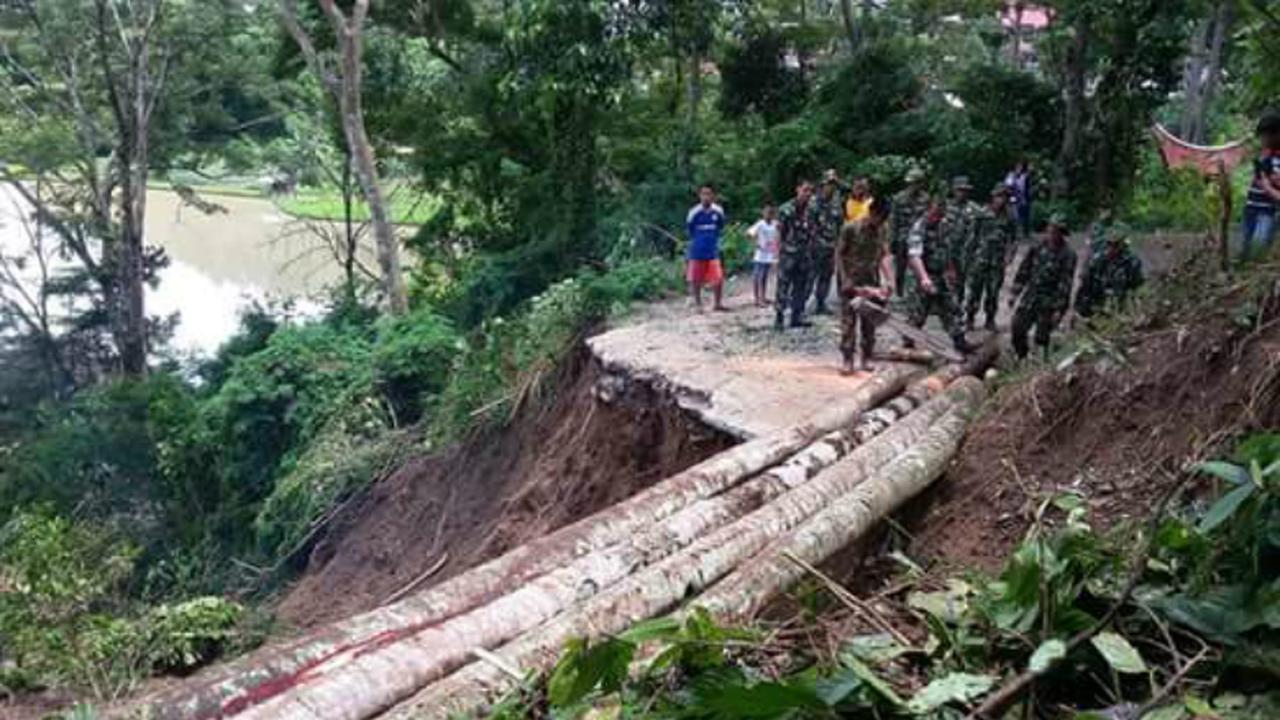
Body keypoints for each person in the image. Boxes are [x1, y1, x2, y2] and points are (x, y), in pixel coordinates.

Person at [905, 198, 972, 354]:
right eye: (935, 214)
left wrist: (950, 269)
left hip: (939, 274)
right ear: (928, 211)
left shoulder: (944, 225)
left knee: (951, 308)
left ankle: (960, 342)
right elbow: (915, 256)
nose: (938, 217)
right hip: (921, 275)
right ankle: (908, 344)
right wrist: (924, 278)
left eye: (940, 214)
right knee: (917, 313)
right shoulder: (919, 226)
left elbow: (946, 249)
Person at [835, 198, 894, 374]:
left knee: (869, 321)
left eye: (884, 220)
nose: (880, 222)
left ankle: (867, 357)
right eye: (879, 218)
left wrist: (889, 280)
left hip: (871, 279)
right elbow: (839, 254)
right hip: (851, 279)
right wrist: (844, 278)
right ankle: (847, 359)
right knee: (848, 321)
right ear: (872, 213)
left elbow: (885, 255)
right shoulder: (851, 228)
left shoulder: (883, 229)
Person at [1009, 213, 1076, 359]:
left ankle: (1040, 365)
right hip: (1031, 295)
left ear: (1061, 233)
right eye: (1050, 228)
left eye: (1055, 230)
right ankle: (1022, 357)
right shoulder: (1037, 247)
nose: (1051, 232)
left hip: (1050, 300)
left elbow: (1066, 283)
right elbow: (1024, 269)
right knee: (1017, 327)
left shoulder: (1068, 255)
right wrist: (1015, 292)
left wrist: (1059, 309)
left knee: (1042, 337)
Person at [964, 185, 1018, 332]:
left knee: (993, 291)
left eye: (1005, 197)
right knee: (975, 290)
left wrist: (1010, 255)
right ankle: (969, 318)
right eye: (1000, 196)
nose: (1002, 200)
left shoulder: (1010, 217)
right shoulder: (982, 213)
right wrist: (968, 258)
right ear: (993, 197)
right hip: (980, 258)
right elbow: (972, 236)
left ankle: (990, 319)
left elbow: (1014, 239)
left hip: (997, 260)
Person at [1075, 225, 1145, 319]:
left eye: (1116, 245)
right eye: (1109, 244)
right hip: (1097, 305)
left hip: (1119, 306)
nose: (1112, 248)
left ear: (1122, 245)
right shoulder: (1098, 260)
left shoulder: (1131, 261)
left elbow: (1136, 287)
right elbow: (1085, 286)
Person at [776, 180, 818, 330]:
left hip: (804, 253)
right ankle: (779, 318)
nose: (807, 194)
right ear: (797, 189)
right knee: (783, 286)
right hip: (788, 253)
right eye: (805, 190)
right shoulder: (786, 209)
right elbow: (780, 233)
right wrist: (778, 254)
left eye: (810, 191)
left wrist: (812, 251)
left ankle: (797, 316)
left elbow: (813, 231)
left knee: (801, 286)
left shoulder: (812, 210)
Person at [808, 170, 846, 314]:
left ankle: (821, 303)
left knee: (826, 276)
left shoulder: (837, 203)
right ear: (822, 185)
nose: (832, 187)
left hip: (830, 246)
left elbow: (840, 224)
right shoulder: (813, 202)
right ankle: (800, 305)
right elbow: (808, 225)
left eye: (834, 185)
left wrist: (839, 244)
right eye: (829, 184)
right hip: (815, 246)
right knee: (810, 276)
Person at [1243, 112, 1280, 259]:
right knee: (1246, 247)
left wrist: (1267, 183)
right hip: (1251, 207)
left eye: (1266, 136)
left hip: (1268, 211)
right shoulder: (1264, 155)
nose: (1263, 140)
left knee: (1258, 249)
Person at [685, 184, 727, 311]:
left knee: (718, 278)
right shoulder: (693, 212)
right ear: (699, 196)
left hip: (713, 250)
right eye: (703, 194)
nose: (706, 197)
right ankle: (698, 305)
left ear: (713, 196)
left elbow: (720, 227)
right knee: (696, 278)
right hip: (697, 250)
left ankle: (717, 304)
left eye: (709, 194)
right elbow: (690, 230)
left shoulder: (718, 211)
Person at [890, 167, 930, 296]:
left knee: (919, 266)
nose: (912, 185)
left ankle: (917, 293)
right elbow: (894, 220)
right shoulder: (899, 198)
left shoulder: (926, 198)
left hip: (919, 238)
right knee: (900, 267)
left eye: (915, 183)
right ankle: (899, 292)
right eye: (910, 183)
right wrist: (893, 240)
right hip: (902, 237)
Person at [942, 176, 980, 308]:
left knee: (962, 281)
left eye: (965, 190)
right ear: (953, 190)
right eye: (959, 190)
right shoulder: (946, 206)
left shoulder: (974, 209)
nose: (962, 193)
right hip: (946, 250)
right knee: (944, 279)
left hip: (965, 251)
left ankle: (957, 304)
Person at [747, 203, 780, 308]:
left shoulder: (775, 224)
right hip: (760, 254)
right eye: (766, 212)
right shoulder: (760, 224)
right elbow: (748, 233)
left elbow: (780, 234)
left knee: (765, 276)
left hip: (770, 254)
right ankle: (758, 299)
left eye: (770, 212)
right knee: (758, 276)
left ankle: (763, 297)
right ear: (763, 213)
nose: (768, 214)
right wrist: (756, 243)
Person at [1005, 160, 1033, 240]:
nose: (1019, 169)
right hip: (1014, 199)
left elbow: (1027, 188)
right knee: (1015, 217)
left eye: (1021, 167)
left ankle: (1025, 233)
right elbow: (1008, 187)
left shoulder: (1025, 176)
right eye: (1018, 167)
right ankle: (1014, 234)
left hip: (1024, 199)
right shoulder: (1011, 176)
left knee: (1025, 217)